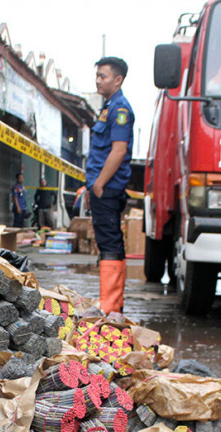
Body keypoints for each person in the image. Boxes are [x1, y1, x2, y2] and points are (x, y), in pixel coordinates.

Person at [86, 56, 134, 314]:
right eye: (97, 75)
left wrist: (99, 184)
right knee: (107, 242)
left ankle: (111, 306)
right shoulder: (107, 107)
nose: (98, 80)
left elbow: (118, 150)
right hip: (101, 186)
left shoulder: (120, 109)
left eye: (103, 76)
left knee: (110, 242)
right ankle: (111, 303)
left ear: (118, 79)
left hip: (108, 188)